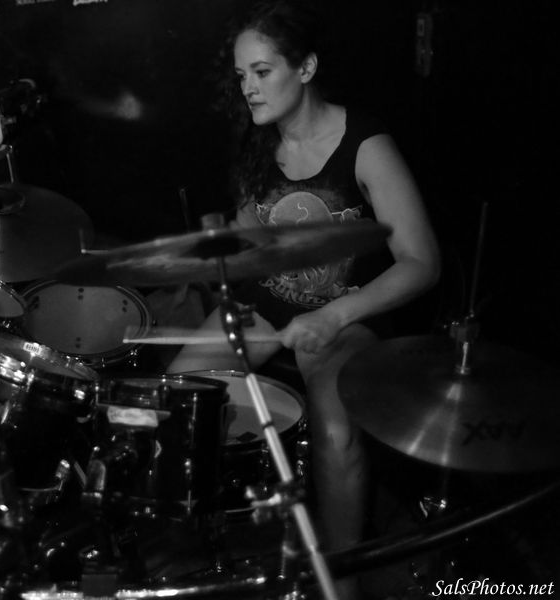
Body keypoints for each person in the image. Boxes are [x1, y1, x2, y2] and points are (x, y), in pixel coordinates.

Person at [167, 0, 440, 594]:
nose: (248, 87)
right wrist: (216, 257)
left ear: (306, 68)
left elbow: (422, 263)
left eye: (262, 72)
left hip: (352, 312)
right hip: (268, 307)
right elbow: (253, 243)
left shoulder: (366, 145)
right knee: (181, 392)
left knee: (336, 430)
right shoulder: (257, 144)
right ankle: (220, 537)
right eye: (241, 75)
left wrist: (335, 315)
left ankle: (341, 579)